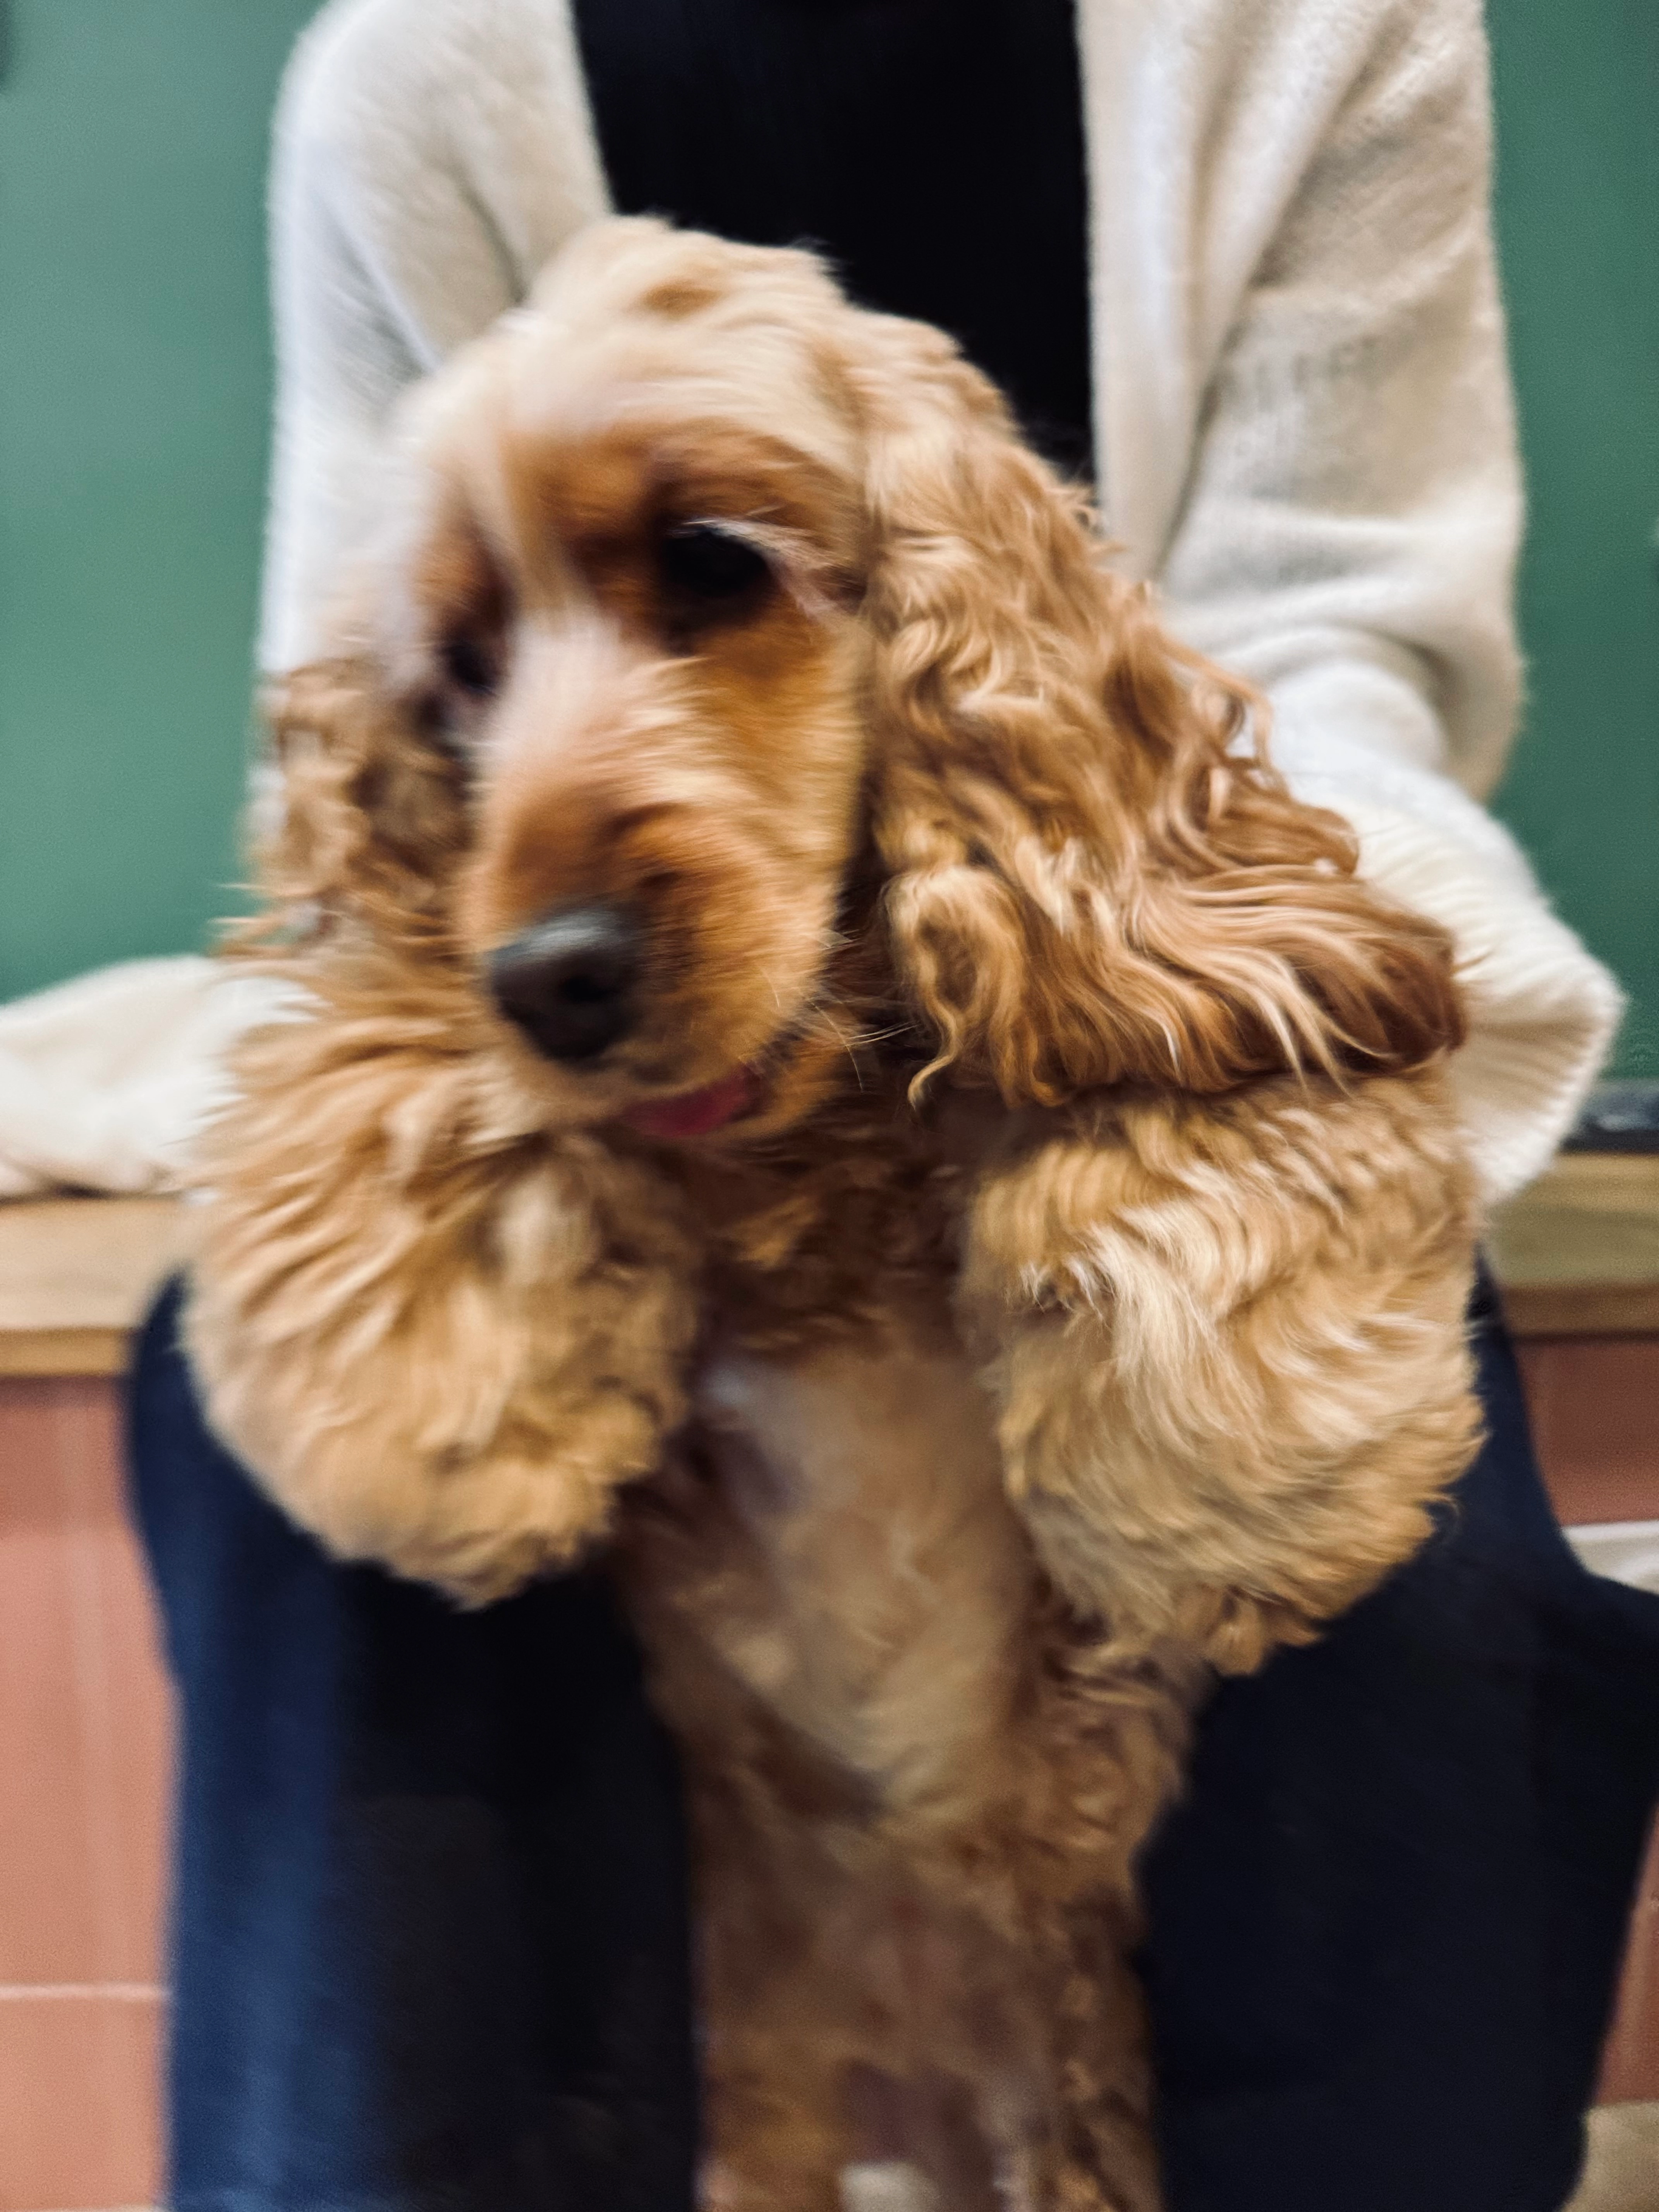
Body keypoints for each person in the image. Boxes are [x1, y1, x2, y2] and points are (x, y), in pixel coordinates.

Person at [128, 3, 1659, 2208]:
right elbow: (365, 742)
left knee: (1405, 1592)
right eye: (509, 663)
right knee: (286, 1475)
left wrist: (1167, 1034)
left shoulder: (1316, 27)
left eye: (714, 578)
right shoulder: (408, 73)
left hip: (1139, 967)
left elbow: (1340, 640)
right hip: (604, 1162)